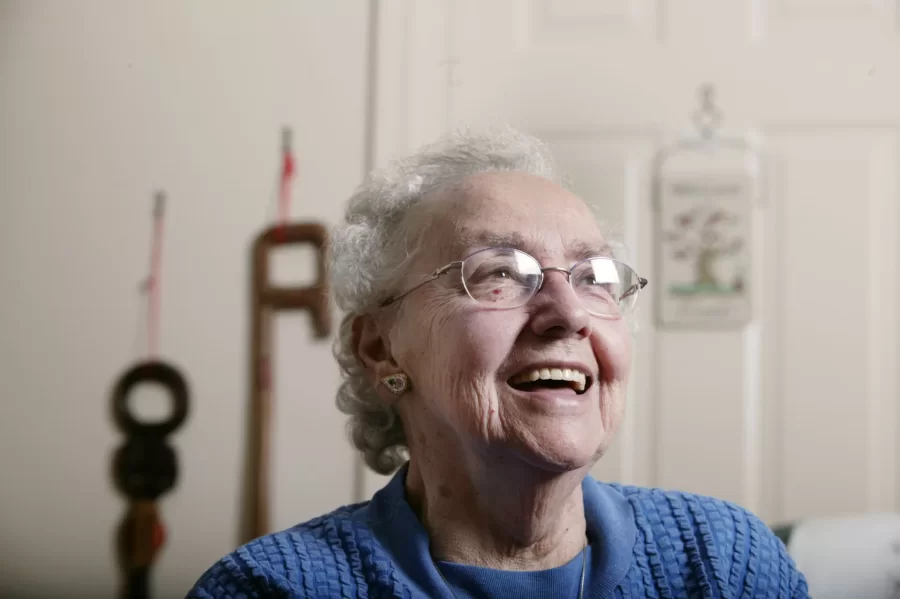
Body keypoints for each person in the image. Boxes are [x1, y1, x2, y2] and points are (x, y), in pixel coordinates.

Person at [188, 128, 809, 598]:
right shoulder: (275, 588)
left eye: (594, 277)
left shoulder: (723, 561)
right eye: (500, 274)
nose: (569, 313)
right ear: (379, 348)